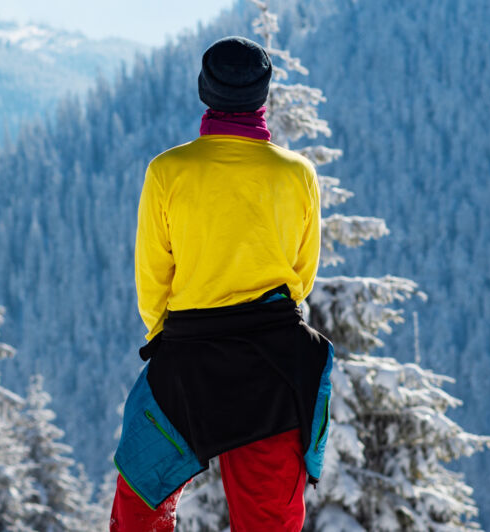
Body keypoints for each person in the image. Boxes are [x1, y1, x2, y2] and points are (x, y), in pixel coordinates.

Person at [109, 36, 334, 532]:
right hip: (275, 365)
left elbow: (153, 278)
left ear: (203, 90)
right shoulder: (297, 175)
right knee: (268, 521)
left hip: (187, 358)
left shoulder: (168, 171)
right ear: (264, 96)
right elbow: (302, 276)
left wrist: (164, 343)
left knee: (141, 507)